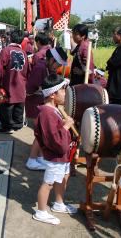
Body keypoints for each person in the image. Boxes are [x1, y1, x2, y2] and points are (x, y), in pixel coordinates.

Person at [33, 74, 77, 225]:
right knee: (49, 183)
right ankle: (41, 211)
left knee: (63, 177)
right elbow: (54, 140)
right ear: (53, 94)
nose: (65, 94)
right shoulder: (46, 113)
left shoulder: (54, 109)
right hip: (55, 155)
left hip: (61, 155)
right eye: (63, 90)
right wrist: (66, 125)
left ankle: (59, 203)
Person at [26, 47, 68, 171]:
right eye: (58, 64)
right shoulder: (40, 68)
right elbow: (30, 88)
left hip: (40, 102)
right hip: (35, 103)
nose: (58, 67)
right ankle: (32, 160)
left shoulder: (45, 67)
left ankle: (39, 157)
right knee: (40, 134)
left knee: (41, 133)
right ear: (51, 60)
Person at [0, 30, 28, 134]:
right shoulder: (23, 52)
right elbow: (26, 70)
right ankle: (17, 124)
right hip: (20, 82)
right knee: (19, 104)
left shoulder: (6, 50)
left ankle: (8, 127)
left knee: (6, 105)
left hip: (9, 81)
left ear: (10, 38)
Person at [25, 33, 52, 119]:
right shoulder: (51, 49)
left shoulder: (38, 55)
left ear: (38, 42)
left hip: (40, 86)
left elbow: (36, 71)